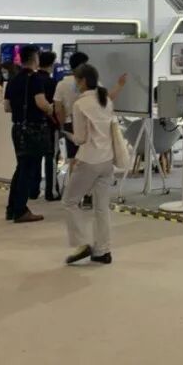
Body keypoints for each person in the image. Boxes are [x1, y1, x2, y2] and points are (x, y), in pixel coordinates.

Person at [62, 64, 115, 265]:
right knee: (101, 208)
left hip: (89, 159)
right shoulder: (106, 101)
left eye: (76, 80)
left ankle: (82, 243)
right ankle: (103, 250)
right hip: (107, 160)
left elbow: (81, 138)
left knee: (69, 201)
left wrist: (67, 135)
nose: (75, 84)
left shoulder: (80, 104)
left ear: (83, 81)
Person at [4, 45, 54, 223]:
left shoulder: (14, 79)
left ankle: (11, 208)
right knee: (28, 170)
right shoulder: (35, 79)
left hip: (17, 128)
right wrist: (50, 108)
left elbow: (7, 107)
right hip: (33, 129)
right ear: (35, 58)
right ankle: (20, 210)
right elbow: (41, 102)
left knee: (21, 168)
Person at [55, 52, 88, 166]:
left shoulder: (62, 84)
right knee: (88, 158)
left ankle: (72, 177)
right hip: (87, 123)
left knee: (73, 158)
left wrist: (61, 125)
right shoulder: (92, 82)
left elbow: (58, 109)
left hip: (69, 123)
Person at [37, 50, 60, 202]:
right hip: (50, 124)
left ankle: (33, 190)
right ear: (52, 65)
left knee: (35, 158)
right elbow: (56, 106)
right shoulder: (53, 83)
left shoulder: (31, 80)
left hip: (33, 125)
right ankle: (51, 192)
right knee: (51, 157)